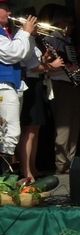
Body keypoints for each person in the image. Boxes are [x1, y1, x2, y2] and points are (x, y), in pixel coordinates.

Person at [41, 4, 80, 174]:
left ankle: (71, 161)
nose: (71, 28)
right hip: (59, 85)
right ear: (60, 24)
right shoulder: (49, 40)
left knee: (74, 124)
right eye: (68, 24)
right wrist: (62, 66)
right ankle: (60, 164)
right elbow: (46, 65)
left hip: (72, 85)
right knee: (63, 126)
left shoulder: (69, 42)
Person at [19, 32, 65, 181]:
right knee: (29, 129)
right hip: (30, 85)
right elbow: (30, 68)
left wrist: (44, 59)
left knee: (35, 129)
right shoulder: (24, 41)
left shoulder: (34, 41)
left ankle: (33, 167)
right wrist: (51, 65)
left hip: (39, 84)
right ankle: (26, 171)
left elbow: (36, 63)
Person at [0, 1, 36, 166]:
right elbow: (13, 53)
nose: (9, 12)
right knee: (10, 133)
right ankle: (3, 179)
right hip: (3, 86)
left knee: (7, 133)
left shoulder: (5, 32)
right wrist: (25, 32)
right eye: (5, 9)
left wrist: (28, 35)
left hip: (10, 85)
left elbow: (23, 57)